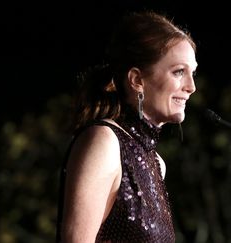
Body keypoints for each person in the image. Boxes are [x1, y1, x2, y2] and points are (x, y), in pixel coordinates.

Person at [55, 10, 198, 243]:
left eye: (193, 73)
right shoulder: (105, 142)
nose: (191, 86)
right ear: (137, 80)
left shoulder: (156, 163)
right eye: (179, 72)